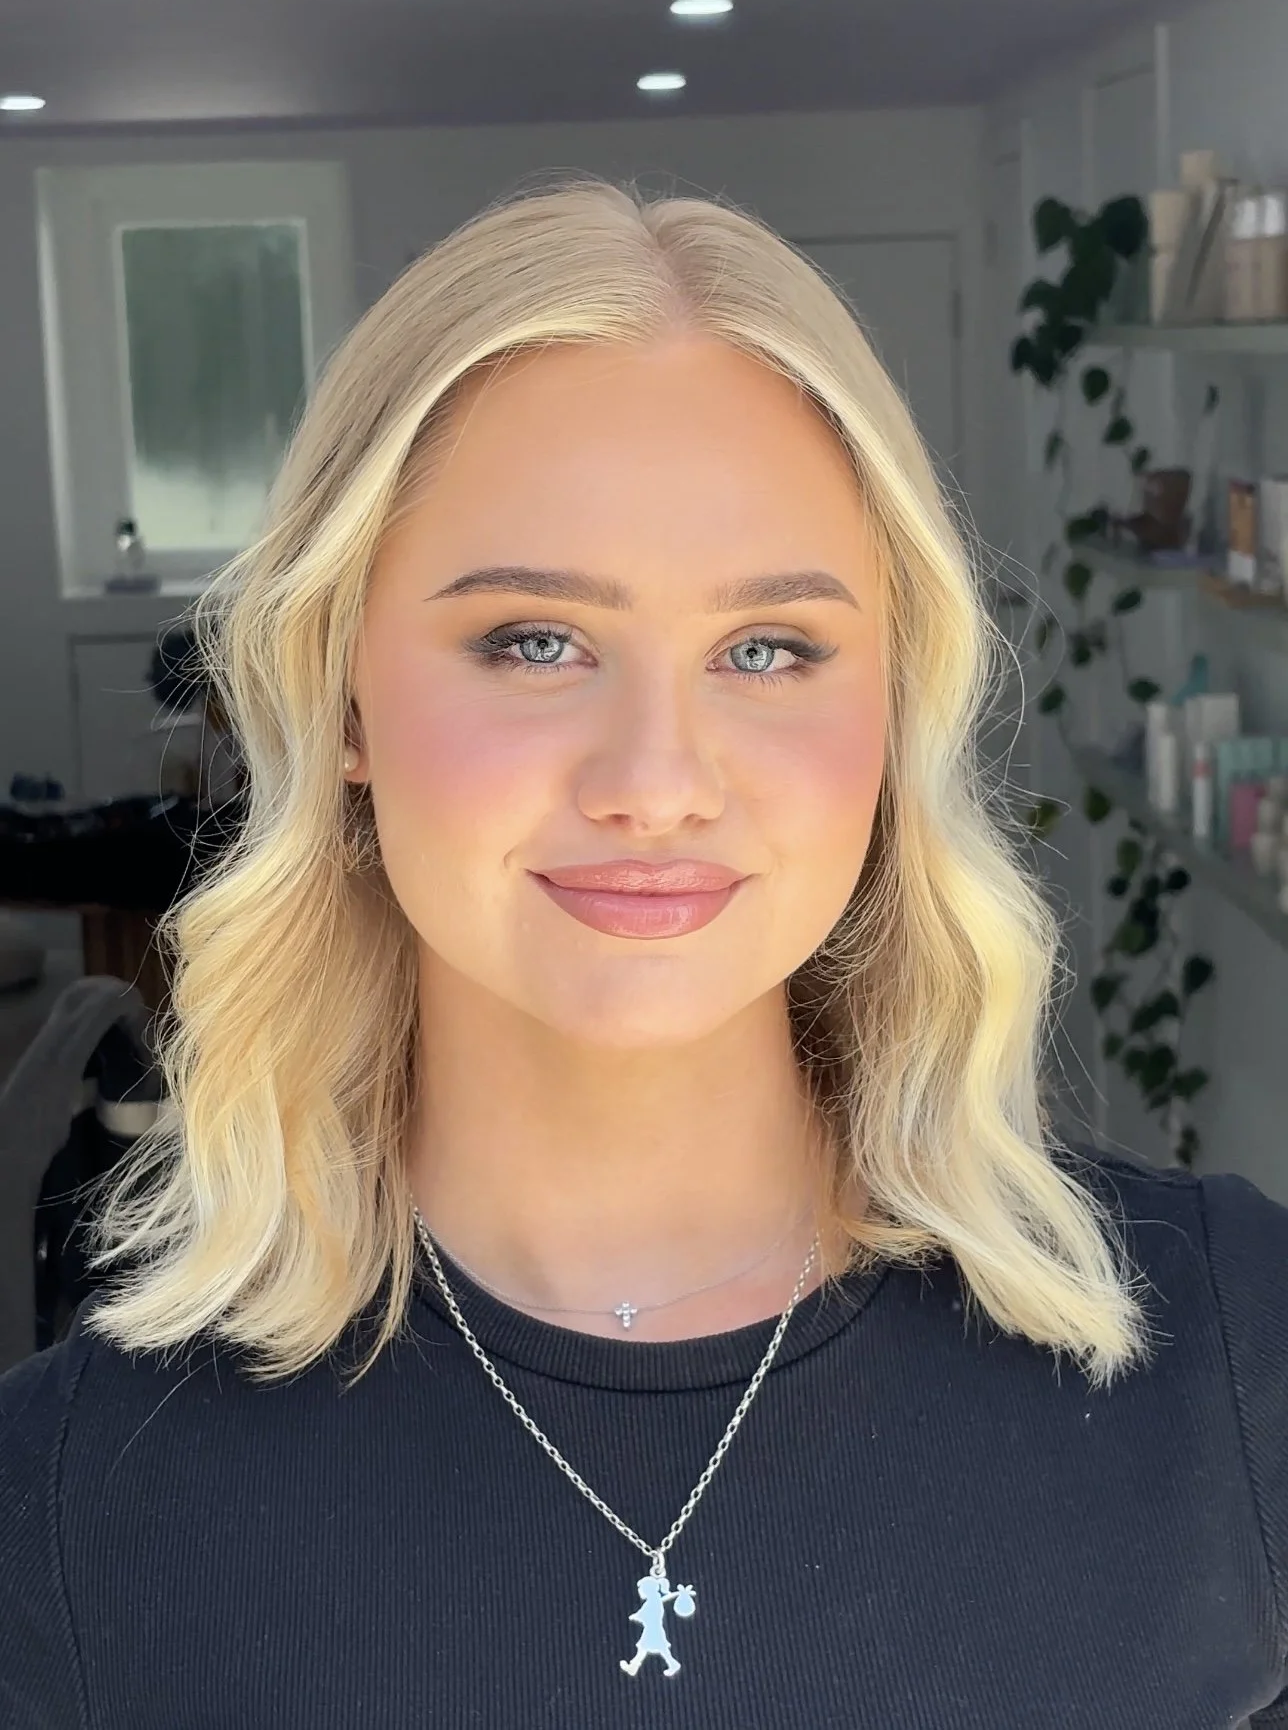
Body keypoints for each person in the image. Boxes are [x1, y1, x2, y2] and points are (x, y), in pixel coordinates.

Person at [1, 179, 1285, 1728]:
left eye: (769, 648)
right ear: (341, 697)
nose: (659, 776)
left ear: (891, 713)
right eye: (535, 639)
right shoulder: (67, 1507)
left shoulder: (1233, 1358)